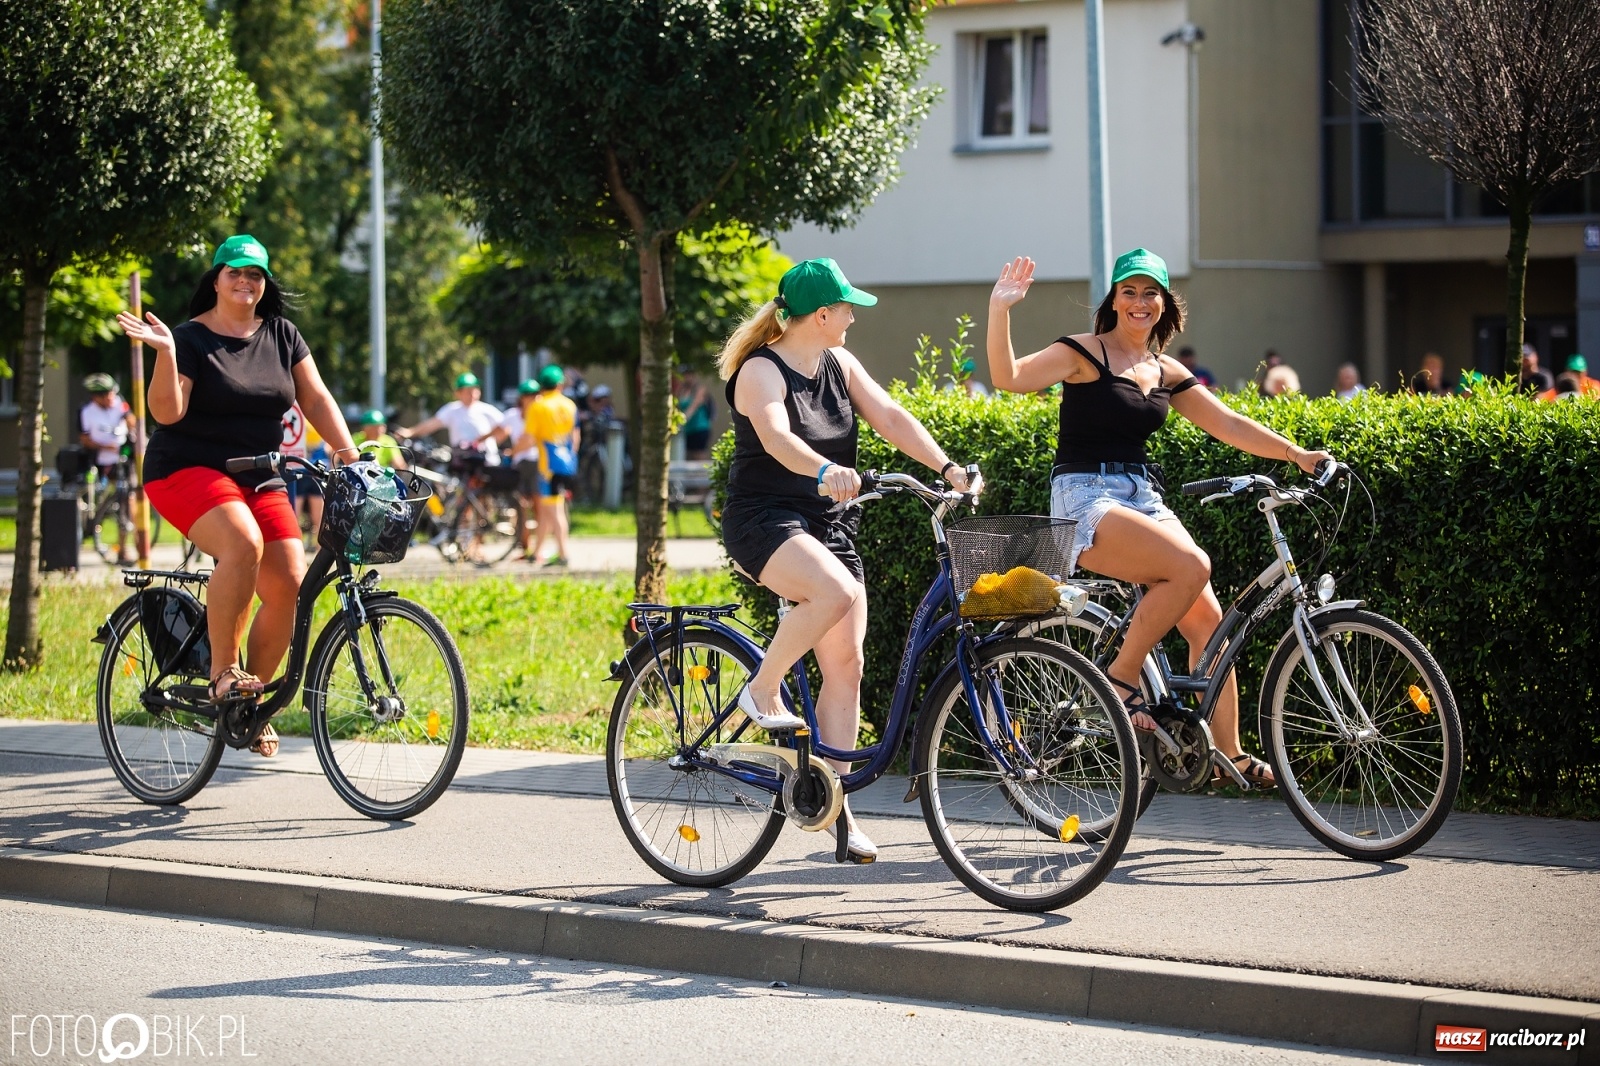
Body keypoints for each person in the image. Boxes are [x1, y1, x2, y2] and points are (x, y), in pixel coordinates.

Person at [985, 249, 1332, 788]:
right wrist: (1001, 308)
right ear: (1114, 301)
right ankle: (1121, 678)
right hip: (1084, 497)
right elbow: (1008, 377)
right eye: (1130, 292)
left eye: (1151, 293)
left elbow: (1228, 423)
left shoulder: (1165, 370)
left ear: (1165, 303)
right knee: (1192, 565)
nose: (1140, 302)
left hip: (1143, 496)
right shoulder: (1083, 352)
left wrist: (1295, 453)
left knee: (1210, 625)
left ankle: (1228, 754)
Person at [719, 257, 973, 862]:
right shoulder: (761, 371)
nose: (854, 316)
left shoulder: (839, 362)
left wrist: (946, 468)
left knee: (848, 666)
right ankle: (762, 689)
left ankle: (834, 812)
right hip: (764, 521)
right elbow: (779, 439)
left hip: (825, 523)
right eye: (847, 307)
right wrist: (827, 469)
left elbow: (888, 415)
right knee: (834, 592)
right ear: (822, 313)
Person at [115, 234, 360, 758]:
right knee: (243, 544)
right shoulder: (190, 338)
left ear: (264, 283)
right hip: (187, 468)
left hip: (261, 473)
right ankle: (222, 672)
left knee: (292, 582)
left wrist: (348, 451)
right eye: (235, 272)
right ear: (217, 279)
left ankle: (249, 703)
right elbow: (167, 412)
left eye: (255, 274)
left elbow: (315, 396)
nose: (246, 281)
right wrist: (164, 354)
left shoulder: (282, 335)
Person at [79, 373, 138, 564]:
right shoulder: (87, 412)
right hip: (103, 461)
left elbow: (131, 418)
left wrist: (131, 427)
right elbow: (85, 439)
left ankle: (126, 546)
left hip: (123, 458)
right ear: (96, 397)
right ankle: (95, 523)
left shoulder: (119, 404)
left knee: (128, 499)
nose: (111, 397)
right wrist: (106, 447)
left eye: (112, 393)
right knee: (108, 498)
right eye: (106, 395)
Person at [525, 365, 579, 567]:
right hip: (566, 462)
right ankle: (536, 551)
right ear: (559, 385)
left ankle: (564, 554)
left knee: (555, 511)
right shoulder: (570, 405)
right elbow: (575, 436)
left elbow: (529, 438)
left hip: (547, 465)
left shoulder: (538, 407)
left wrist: (513, 452)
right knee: (549, 511)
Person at [483, 380, 543, 558]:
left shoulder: (540, 414)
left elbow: (529, 441)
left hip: (538, 463)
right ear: (522, 398)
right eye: (530, 395)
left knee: (539, 507)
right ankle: (525, 547)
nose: (533, 399)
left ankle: (538, 549)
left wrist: (513, 450)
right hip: (521, 465)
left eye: (535, 395)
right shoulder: (512, 415)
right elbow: (496, 433)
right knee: (522, 506)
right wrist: (479, 442)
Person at [397, 372, 505, 464]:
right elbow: (431, 424)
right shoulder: (452, 409)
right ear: (458, 393)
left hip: (487, 461)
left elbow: (505, 427)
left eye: (475, 390)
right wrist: (410, 432)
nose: (472, 394)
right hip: (463, 462)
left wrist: (491, 440)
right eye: (468, 391)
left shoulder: (487, 409)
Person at [676, 371, 713, 460]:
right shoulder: (681, 391)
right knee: (688, 456)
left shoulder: (700, 390)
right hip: (687, 430)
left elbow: (694, 406)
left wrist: (682, 421)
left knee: (699, 455)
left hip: (700, 428)